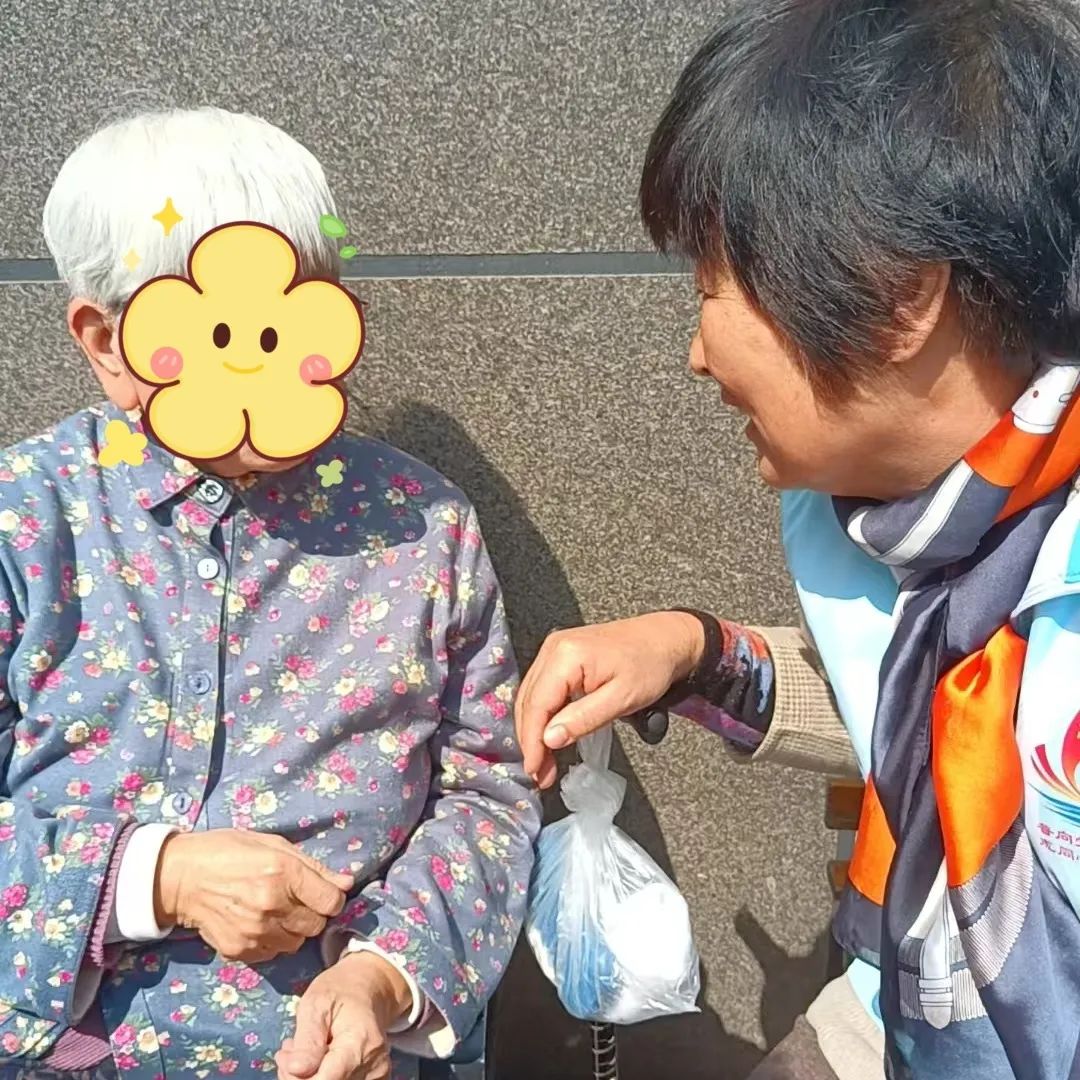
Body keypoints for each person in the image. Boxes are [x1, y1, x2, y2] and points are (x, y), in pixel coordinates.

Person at [515, 1, 1080, 1078]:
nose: (695, 353)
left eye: (712, 286)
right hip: (906, 993)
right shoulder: (871, 515)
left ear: (897, 291)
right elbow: (922, 708)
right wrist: (695, 654)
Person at [0, 106, 539, 1080]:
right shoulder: (25, 518)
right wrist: (151, 876)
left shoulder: (422, 526)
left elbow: (486, 791)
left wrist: (383, 975)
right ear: (105, 341)